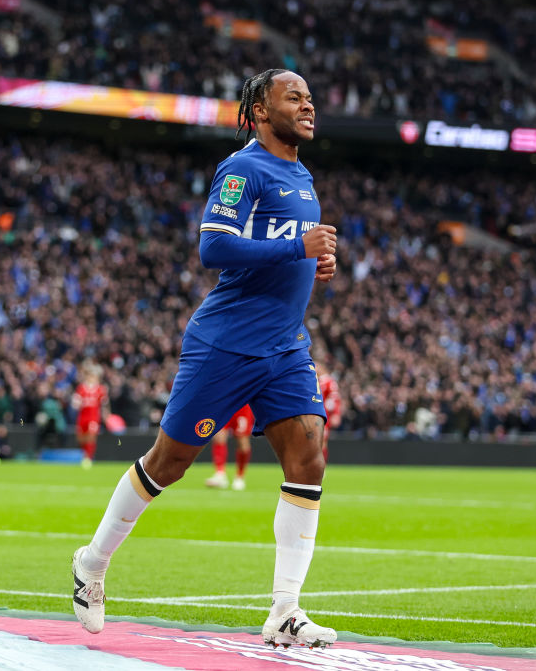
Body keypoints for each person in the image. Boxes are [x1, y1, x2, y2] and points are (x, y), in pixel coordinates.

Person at [71, 69, 338, 649]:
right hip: (228, 342)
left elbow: (281, 247)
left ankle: (285, 612)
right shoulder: (243, 168)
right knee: (169, 463)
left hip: (286, 346)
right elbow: (213, 246)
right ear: (261, 111)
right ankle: (91, 563)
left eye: (311, 98)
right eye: (294, 97)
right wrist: (296, 246)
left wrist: (312, 263)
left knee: (309, 458)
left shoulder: (301, 174)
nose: (308, 105)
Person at [205, 404, 254, 490]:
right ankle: (220, 474)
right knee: (218, 436)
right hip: (225, 403)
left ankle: (240, 476)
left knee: (242, 442)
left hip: (242, 405)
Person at [72, 365, 109, 469]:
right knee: (81, 438)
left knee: (91, 436)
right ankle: (85, 455)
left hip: (93, 417)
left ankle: (88, 457)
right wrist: (77, 403)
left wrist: (106, 414)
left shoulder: (100, 389)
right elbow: (76, 403)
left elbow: (104, 404)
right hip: (82, 417)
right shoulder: (81, 388)